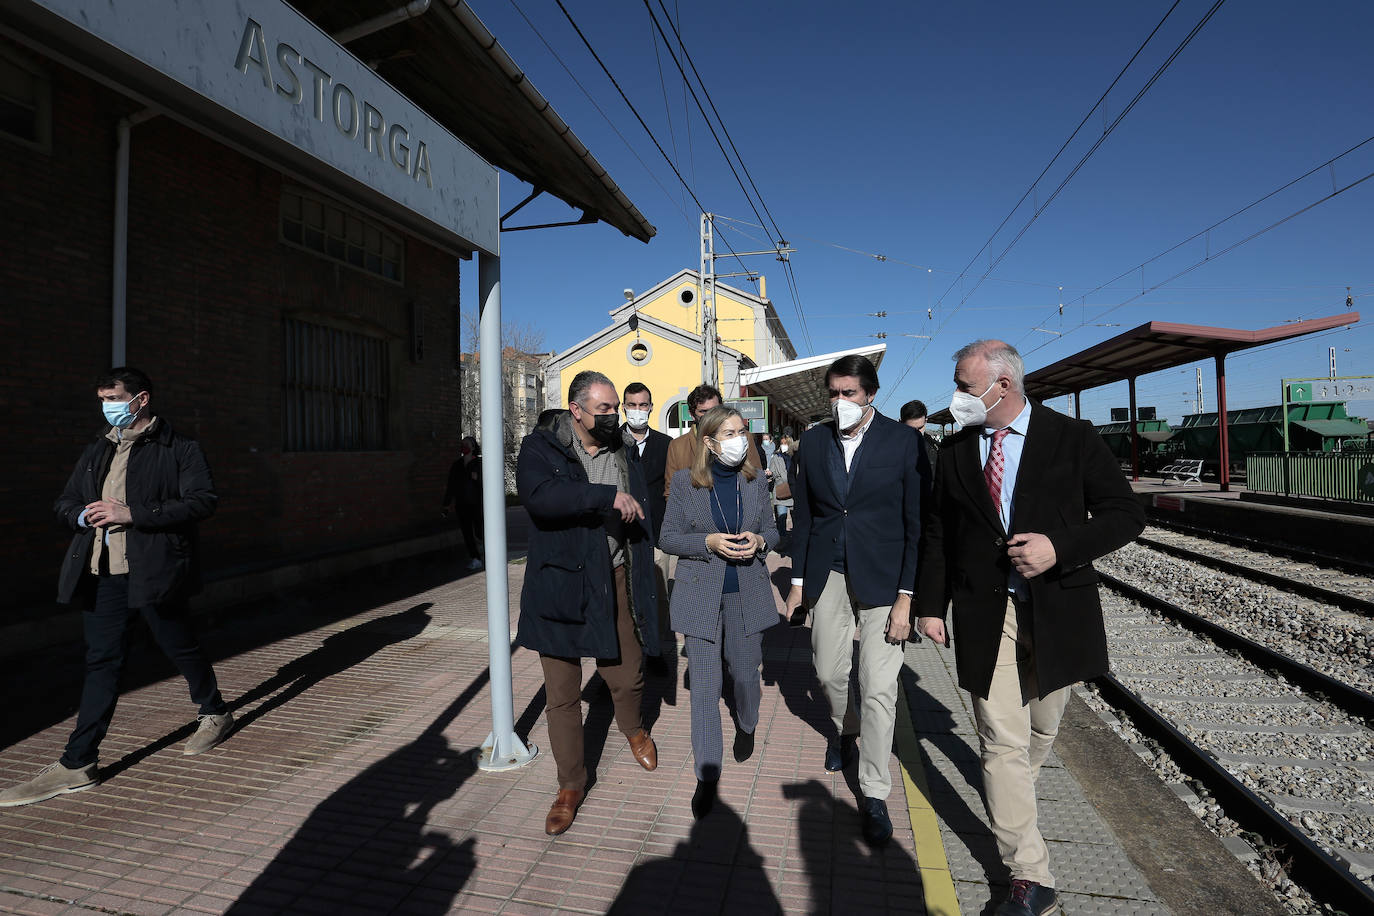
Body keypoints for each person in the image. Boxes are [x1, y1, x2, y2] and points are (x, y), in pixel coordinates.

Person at [915, 340, 1145, 916]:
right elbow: (940, 531)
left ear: (1003, 385)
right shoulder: (956, 450)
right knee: (1001, 742)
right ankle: (1029, 875)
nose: (958, 397)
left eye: (965, 386)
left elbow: (1125, 514)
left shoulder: (1073, 438)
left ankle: (1015, 795)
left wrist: (1059, 547)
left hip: (1055, 610)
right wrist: (929, 605)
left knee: (1041, 729)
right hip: (984, 613)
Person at [0, 368, 234, 808]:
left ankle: (215, 711)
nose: (107, 406)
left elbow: (203, 501)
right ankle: (78, 763)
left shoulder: (179, 448)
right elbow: (65, 503)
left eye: (113, 397)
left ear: (141, 399)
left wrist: (133, 514)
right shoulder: (97, 448)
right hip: (101, 570)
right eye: (103, 398)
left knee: (179, 644)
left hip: (153, 570)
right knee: (102, 661)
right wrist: (82, 516)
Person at [782, 355, 929, 845]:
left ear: (870, 394)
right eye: (833, 393)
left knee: (880, 688)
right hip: (829, 573)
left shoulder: (904, 441)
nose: (839, 401)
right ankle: (846, 729)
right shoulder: (815, 440)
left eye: (848, 393)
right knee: (827, 671)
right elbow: (806, 516)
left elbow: (916, 524)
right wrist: (798, 581)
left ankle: (874, 792)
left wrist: (908, 598)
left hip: (886, 580)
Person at [515, 370, 661, 836]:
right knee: (562, 694)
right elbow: (539, 499)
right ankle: (570, 785)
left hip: (615, 576)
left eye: (616, 407)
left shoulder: (622, 447)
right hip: (558, 585)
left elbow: (642, 499)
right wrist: (606, 497)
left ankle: (634, 728)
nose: (614, 416)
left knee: (627, 671)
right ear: (575, 410)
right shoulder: (541, 447)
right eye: (604, 409)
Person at [659, 407, 779, 819]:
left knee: (746, 676)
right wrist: (706, 541)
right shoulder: (684, 482)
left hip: (747, 592)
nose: (739, 439)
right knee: (705, 692)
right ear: (708, 442)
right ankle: (706, 774)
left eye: (742, 431)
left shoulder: (754, 482)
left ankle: (746, 725)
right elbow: (668, 537)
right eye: (729, 433)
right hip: (699, 596)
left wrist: (760, 540)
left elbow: (775, 530)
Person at [621, 382, 675, 669]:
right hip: (620, 538)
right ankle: (621, 661)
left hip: (656, 536)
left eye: (643, 405)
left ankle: (655, 651)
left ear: (651, 408)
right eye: (632, 405)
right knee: (622, 599)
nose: (637, 411)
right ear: (623, 407)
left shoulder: (666, 445)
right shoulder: (612, 443)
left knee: (657, 597)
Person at [663, 384, 761, 501]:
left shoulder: (743, 437)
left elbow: (757, 478)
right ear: (691, 414)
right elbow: (671, 492)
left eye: (714, 410)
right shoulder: (677, 446)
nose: (710, 415)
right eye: (703, 411)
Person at [442, 436, 484, 570]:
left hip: (477, 504)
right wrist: (446, 504)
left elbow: (488, 484)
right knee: (467, 533)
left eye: (467, 444)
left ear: (473, 447)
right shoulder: (457, 465)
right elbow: (451, 486)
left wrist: (478, 479)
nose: (464, 446)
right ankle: (475, 558)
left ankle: (490, 553)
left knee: (480, 531)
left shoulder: (479, 463)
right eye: (462, 444)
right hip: (462, 504)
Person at [768, 434, 796, 553]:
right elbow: (773, 472)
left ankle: (796, 539)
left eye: (785, 443)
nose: (783, 446)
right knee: (781, 518)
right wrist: (770, 474)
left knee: (796, 517)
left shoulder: (796, 456)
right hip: (781, 491)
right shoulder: (776, 457)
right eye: (782, 443)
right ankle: (782, 540)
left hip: (794, 490)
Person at [900, 399, 941, 472]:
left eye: (920, 428)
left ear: (926, 421)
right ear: (900, 423)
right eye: (911, 429)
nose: (917, 433)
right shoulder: (890, 448)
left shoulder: (935, 448)